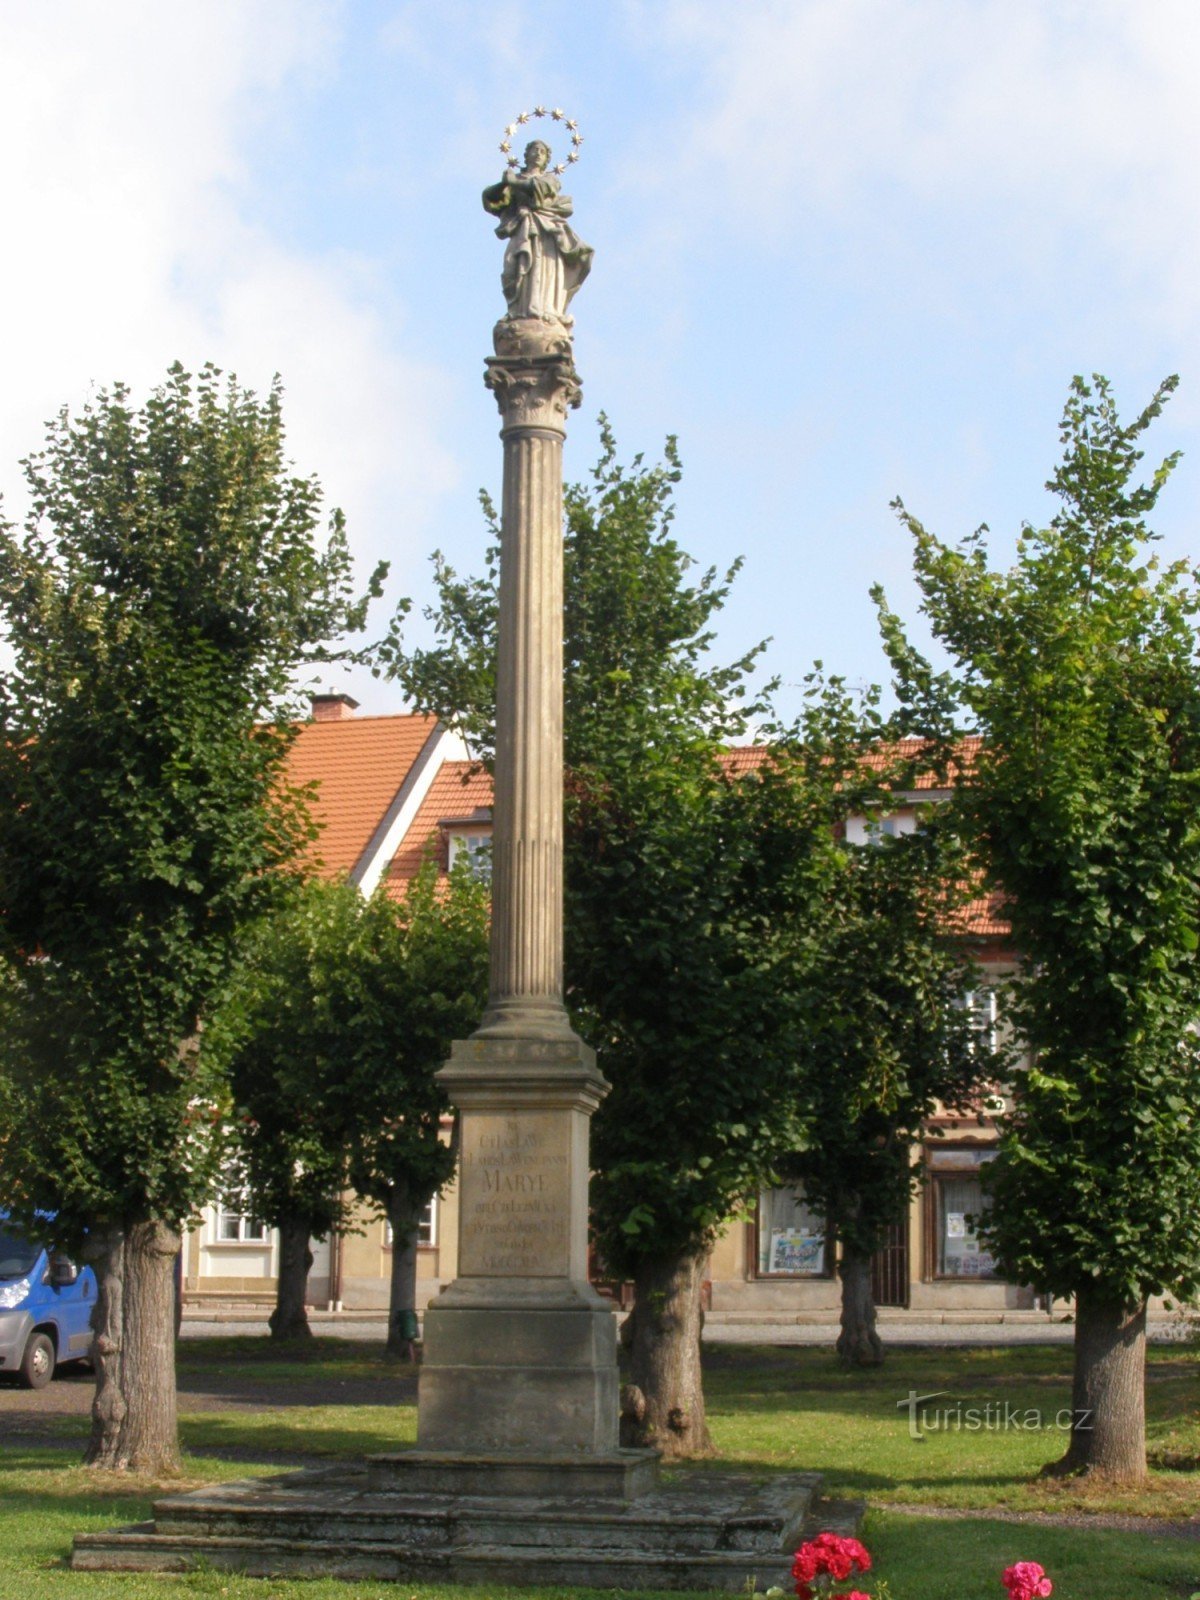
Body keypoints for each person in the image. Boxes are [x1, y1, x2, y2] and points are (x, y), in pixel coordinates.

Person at [482, 140, 593, 325]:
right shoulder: (515, 180)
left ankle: (541, 311)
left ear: (547, 159)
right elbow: (490, 199)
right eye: (534, 150)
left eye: (542, 151)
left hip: (546, 232)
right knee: (513, 268)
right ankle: (519, 311)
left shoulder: (550, 179)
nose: (538, 153)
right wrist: (503, 183)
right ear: (526, 155)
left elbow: (541, 189)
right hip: (521, 228)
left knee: (542, 271)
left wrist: (513, 182)